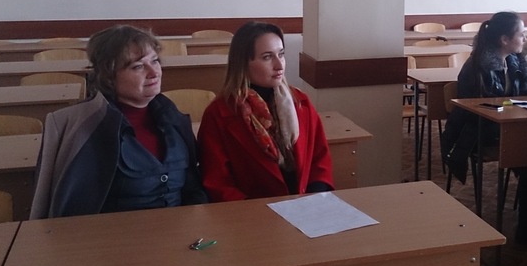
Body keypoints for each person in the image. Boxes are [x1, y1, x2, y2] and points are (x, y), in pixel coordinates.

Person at [30, 25, 208, 219]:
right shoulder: (80, 126)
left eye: (155, 61)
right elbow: (71, 209)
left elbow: (193, 187)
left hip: (181, 231)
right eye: (138, 66)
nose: (154, 72)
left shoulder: (173, 118)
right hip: (114, 235)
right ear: (108, 76)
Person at [441, 12, 527, 245]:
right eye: (521, 34)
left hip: (509, 130)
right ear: (504, 39)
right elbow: (475, 112)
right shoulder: (477, 67)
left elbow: (523, 98)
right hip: (479, 134)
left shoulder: (516, 62)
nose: (525, 39)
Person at [197, 21, 333, 201]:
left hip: (304, 206)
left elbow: (320, 159)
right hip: (251, 212)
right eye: (267, 57)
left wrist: (315, 196)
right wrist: (257, 211)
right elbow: (218, 182)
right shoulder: (219, 114)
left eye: (281, 54)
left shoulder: (300, 102)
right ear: (243, 63)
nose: (279, 65)